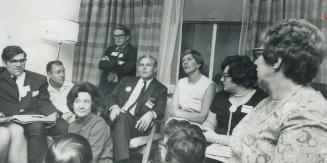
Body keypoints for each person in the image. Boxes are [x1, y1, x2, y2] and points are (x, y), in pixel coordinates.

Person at [226, 18, 327, 162]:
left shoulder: (309, 113)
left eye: (260, 54)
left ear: (276, 61)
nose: (255, 62)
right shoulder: (269, 102)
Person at [0, 45, 68, 163]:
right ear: (4, 62)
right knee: (37, 127)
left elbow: (43, 101)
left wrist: (53, 113)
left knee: (62, 125)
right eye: (13, 61)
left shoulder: (38, 79)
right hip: (9, 119)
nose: (18, 64)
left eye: (22, 60)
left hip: (32, 115)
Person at [102, 55, 168, 163]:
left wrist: (152, 113)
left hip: (137, 125)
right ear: (138, 68)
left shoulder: (160, 89)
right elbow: (110, 97)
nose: (144, 68)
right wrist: (114, 107)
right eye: (141, 65)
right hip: (115, 119)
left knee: (122, 117)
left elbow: (160, 109)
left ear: (155, 68)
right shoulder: (126, 81)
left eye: (148, 65)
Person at [202, 55, 268, 142]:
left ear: (238, 76)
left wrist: (217, 138)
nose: (221, 79)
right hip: (214, 148)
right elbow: (210, 122)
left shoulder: (262, 100)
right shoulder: (220, 96)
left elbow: (254, 137)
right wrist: (206, 130)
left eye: (225, 76)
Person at [67, 82, 113, 163]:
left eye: (86, 101)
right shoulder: (72, 125)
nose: (81, 106)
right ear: (72, 104)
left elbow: (92, 157)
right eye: (77, 101)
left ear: (93, 104)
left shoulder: (99, 124)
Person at [170, 49, 216, 124]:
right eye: (183, 61)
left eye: (189, 59)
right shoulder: (180, 82)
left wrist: (179, 113)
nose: (185, 62)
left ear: (198, 64)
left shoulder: (209, 85)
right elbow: (172, 111)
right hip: (178, 121)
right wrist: (193, 115)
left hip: (196, 125)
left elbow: (202, 117)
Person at [98, 25, 137, 97]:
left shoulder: (133, 51)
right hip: (105, 85)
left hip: (121, 85)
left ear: (127, 37)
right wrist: (117, 62)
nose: (117, 38)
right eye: (115, 36)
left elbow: (127, 69)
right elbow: (101, 65)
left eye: (121, 35)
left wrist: (109, 63)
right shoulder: (110, 49)